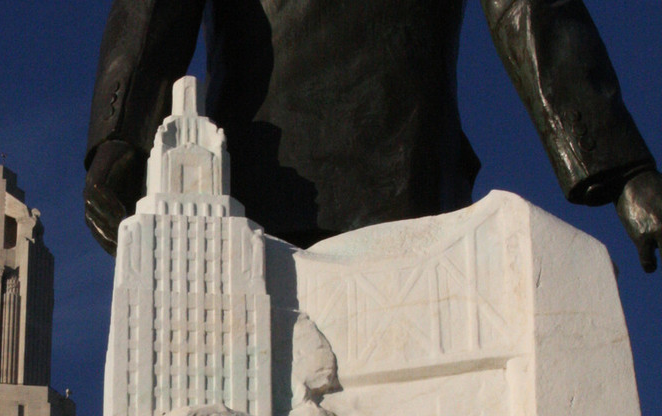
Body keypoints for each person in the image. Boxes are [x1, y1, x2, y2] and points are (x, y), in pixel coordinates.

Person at [84, 0, 662, 272]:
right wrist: (120, 139)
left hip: (412, 183)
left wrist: (622, 168)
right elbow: (150, 10)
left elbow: (529, 10)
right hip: (258, 189)